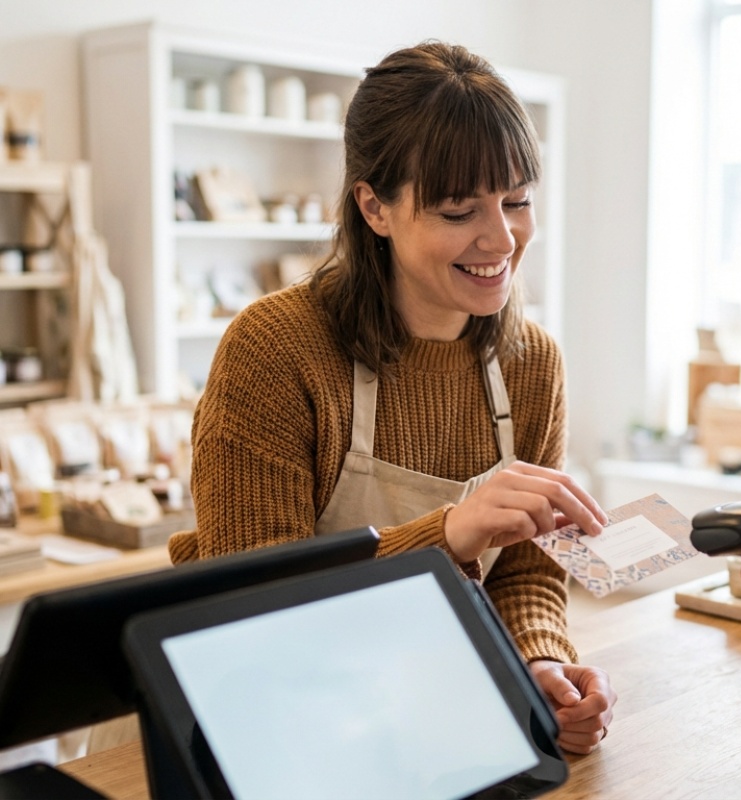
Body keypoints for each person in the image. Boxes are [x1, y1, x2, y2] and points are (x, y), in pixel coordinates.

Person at [167, 41, 616, 755]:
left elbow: (529, 568)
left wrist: (541, 665)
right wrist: (448, 536)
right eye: (459, 210)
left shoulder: (532, 364)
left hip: (411, 714)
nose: (501, 237)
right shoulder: (276, 350)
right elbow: (254, 613)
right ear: (374, 207)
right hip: (254, 728)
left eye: (518, 201)